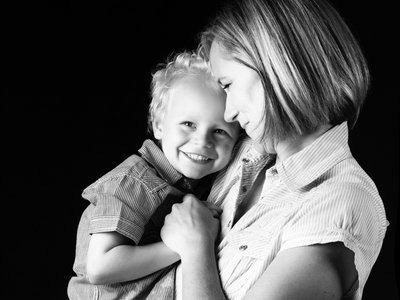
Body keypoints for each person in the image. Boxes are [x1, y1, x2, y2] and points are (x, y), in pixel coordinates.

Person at [160, 0, 389, 299]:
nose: (228, 114)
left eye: (228, 84)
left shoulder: (339, 203)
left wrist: (195, 247)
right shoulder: (243, 155)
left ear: (276, 65)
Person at [67, 51, 241, 299]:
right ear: (159, 125)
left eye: (220, 131)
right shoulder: (133, 181)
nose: (203, 142)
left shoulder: (200, 185)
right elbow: (100, 266)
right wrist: (183, 244)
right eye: (188, 124)